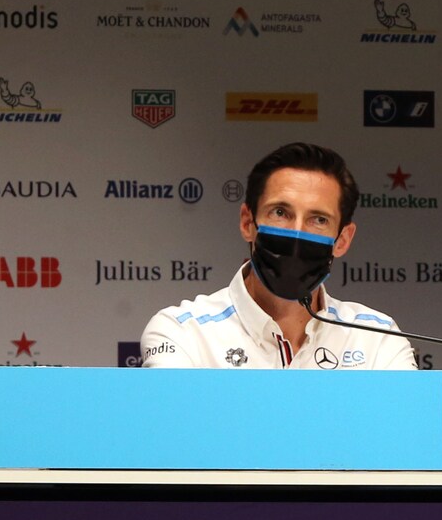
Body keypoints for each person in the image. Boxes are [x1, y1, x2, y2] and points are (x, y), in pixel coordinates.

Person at [139, 142, 416, 369]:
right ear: (247, 222)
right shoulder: (183, 333)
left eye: (318, 220)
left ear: (342, 240)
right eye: (280, 213)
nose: (297, 233)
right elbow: (178, 420)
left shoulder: (378, 339)